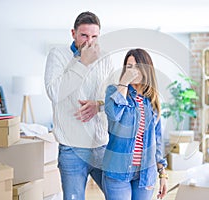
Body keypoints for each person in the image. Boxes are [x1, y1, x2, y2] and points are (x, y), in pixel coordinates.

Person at [44, 11, 113, 200]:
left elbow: (112, 97)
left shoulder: (105, 58)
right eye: (84, 35)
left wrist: (98, 105)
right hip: (71, 149)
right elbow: (55, 93)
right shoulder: (58, 55)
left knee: (118, 195)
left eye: (94, 36)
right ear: (73, 33)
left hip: (101, 145)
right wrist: (82, 63)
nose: (89, 41)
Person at [102, 48, 168, 200]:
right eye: (129, 67)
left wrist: (162, 174)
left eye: (137, 67)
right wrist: (124, 83)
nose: (133, 71)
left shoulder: (153, 99)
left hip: (146, 173)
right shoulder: (114, 90)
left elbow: (157, 141)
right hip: (118, 171)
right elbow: (114, 114)